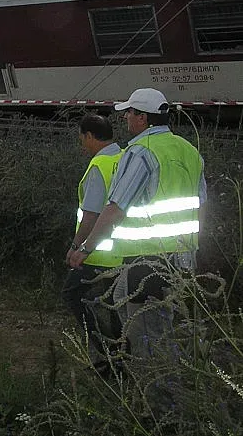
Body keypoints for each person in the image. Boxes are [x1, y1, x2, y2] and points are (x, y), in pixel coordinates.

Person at [68, 88, 206, 359]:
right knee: (137, 309)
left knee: (148, 336)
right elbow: (202, 205)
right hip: (184, 257)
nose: (126, 119)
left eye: (129, 113)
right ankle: (153, 367)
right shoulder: (189, 150)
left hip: (147, 258)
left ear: (142, 118)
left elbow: (116, 208)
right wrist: (194, 248)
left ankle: (161, 392)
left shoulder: (140, 152)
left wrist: (85, 248)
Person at [62, 114, 123, 373]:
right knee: (115, 304)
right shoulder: (125, 156)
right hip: (125, 250)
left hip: (99, 252)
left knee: (72, 294)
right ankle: (121, 357)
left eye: (81, 138)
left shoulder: (99, 165)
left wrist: (77, 246)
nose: (82, 144)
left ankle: (107, 353)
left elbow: (91, 215)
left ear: (89, 136)